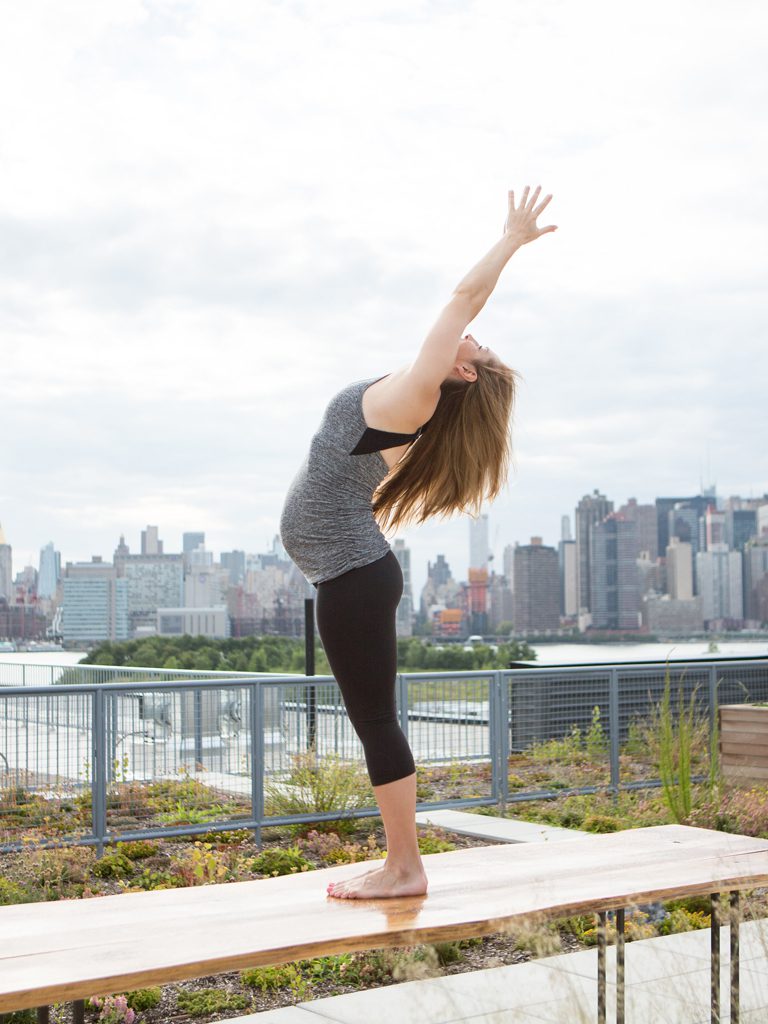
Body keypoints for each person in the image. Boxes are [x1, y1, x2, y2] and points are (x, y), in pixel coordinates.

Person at [279, 185, 557, 899]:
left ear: (460, 371)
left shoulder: (418, 394)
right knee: (374, 716)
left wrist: (510, 239)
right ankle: (402, 864)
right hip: (349, 574)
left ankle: (404, 868)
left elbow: (465, 296)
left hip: (353, 576)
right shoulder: (409, 398)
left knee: (374, 719)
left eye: (476, 345)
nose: (471, 335)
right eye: (477, 340)